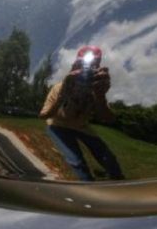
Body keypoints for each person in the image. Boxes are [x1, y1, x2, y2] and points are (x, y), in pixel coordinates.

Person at [39, 46, 124, 180]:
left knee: (109, 159)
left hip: (82, 127)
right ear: (75, 65)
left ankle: (120, 185)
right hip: (58, 125)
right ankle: (89, 190)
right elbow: (44, 115)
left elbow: (108, 119)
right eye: (82, 64)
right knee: (76, 162)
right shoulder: (60, 87)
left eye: (93, 65)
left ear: (99, 67)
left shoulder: (96, 88)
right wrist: (62, 94)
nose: (86, 69)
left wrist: (100, 96)